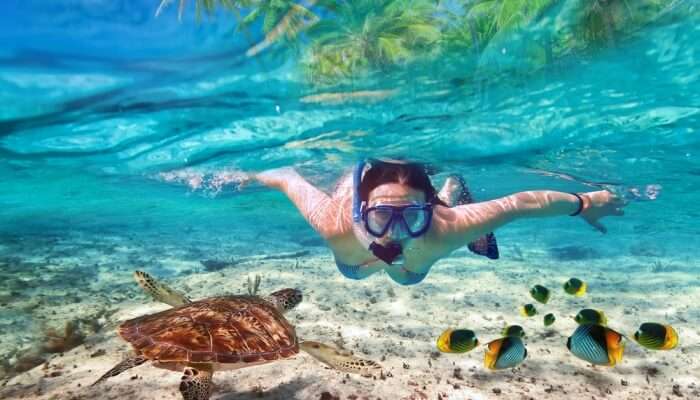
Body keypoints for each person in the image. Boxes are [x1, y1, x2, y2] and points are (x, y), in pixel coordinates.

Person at [253, 159, 626, 285]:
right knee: (360, 269)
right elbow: (288, 177)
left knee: (405, 277)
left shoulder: (444, 227)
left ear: (428, 211)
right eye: (382, 215)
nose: (396, 232)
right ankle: (445, 190)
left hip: (417, 254)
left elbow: (520, 204)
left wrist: (586, 202)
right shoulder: (335, 222)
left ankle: (450, 190)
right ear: (361, 210)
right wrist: (251, 175)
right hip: (355, 257)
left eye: (413, 216)